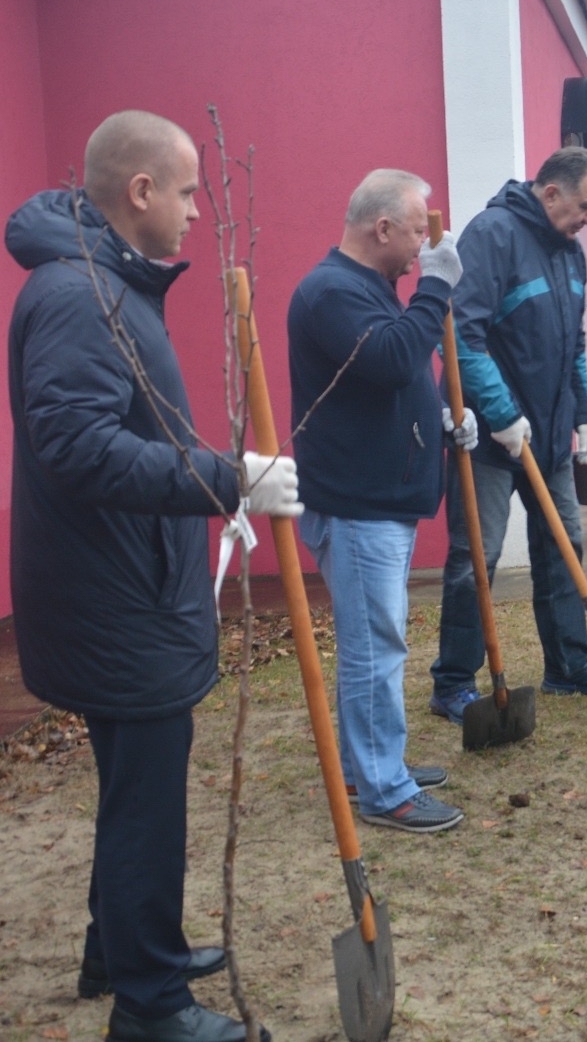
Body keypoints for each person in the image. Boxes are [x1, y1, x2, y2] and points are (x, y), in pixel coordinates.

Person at [8, 110, 300, 1042]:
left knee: (131, 789)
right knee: (146, 805)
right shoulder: (80, 294)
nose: (195, 212)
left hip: (120, 585)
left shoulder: (103, 282)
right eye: (185, 192)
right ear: (140, 192)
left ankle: (123, 948)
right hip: (115, 601)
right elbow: (78, 448)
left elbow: (121, 428)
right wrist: (227, 478)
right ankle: (152, 1005)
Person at [289, 169, 473, 833]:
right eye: (418, 232)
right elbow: (394, 359)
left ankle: (366, 765)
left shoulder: (364, 290)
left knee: (374, 643)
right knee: (375, 649)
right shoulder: (331, 292)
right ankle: (384, 790)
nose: (425, 246)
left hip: (375, 500)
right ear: (383, 227)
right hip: (356, 506)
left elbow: (383, 383)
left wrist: (441, 423)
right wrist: (436, 288)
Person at [430, 147, 587, 715]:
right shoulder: (493, 235)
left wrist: (584, 412)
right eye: (585, 207)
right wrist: (503, 414)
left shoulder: (570, 250)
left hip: (551, 434)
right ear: (551, 192)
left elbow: (575, 342)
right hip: (488, 439)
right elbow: (461, 337)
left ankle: (568, 665)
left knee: (563, 543)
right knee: (477, 556)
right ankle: (453, 683)